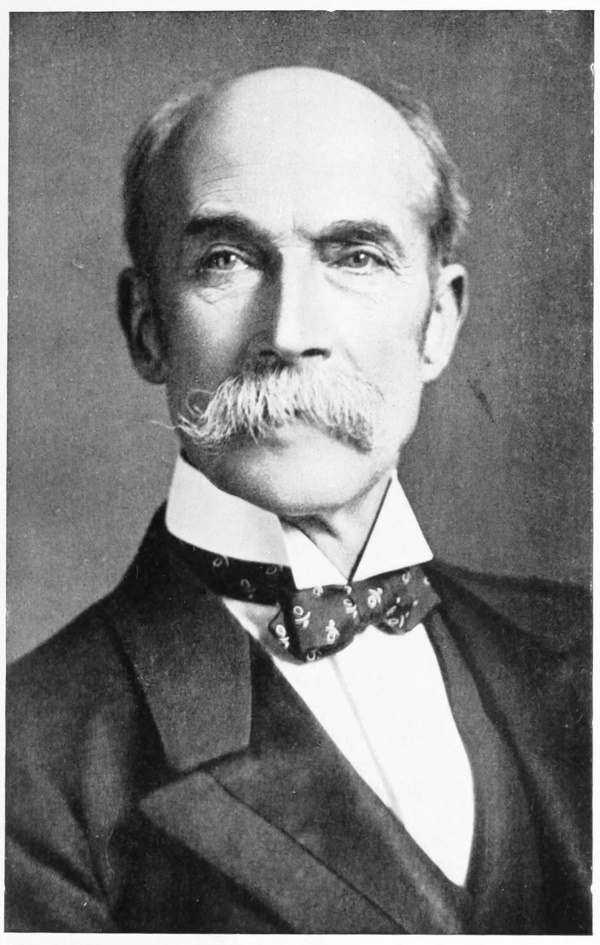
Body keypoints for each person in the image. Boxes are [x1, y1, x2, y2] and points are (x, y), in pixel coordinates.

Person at [6, 66, 591, 934]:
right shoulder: (27, 755)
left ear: (438, 321)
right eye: (227, 261)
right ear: (147, 325)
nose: (290, 333)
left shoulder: (582, 646)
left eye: (355, 257)